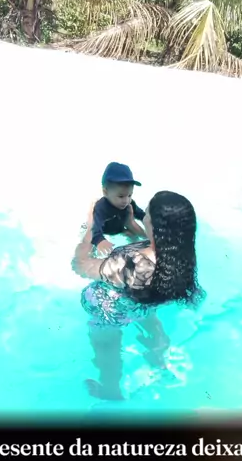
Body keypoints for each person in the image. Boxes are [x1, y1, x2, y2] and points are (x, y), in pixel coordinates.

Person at [71, 190, 204, 400]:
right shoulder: (179, 253)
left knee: (107, 350)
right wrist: (131, 225)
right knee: (154, 330)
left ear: (155, 225)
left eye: (147, 213)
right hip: (143, 304)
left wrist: (90, 227)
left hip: (111, 311)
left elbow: (81, 266)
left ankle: (111, 390)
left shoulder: (129, 261)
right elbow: (146, 248)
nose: (144, 215)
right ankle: (160, 367)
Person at [90, 162, 146, 257]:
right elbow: (95, 228)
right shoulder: (101, 208)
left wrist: (152, 221)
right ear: (105, 192)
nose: (126, 201)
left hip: (121, 230)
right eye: (121, 196)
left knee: (133, 236)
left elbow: (141, 215)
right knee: (91, 246)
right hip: (105, 232)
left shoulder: (129, 203)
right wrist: (99, 240)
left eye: (129, 195)